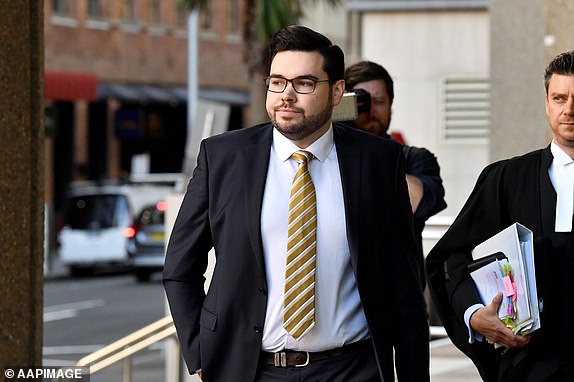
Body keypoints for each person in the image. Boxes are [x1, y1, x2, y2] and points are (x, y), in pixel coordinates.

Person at [163, 25, 429, 382]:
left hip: (352, 369)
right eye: (277, 82)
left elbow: (405, 284)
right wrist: (201, 351)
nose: (286, 95)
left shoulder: (378, 162)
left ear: (336, 92)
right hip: (252, 371)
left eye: (304, 83)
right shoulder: (223, 157)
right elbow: (181, 266)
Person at [426, 50, 574, 382]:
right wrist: (474, 313)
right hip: (530, 370)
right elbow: (450, 257)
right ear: (547, 103)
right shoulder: (506, 179)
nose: (569, 109)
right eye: (559, 98)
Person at [344, 61, 447, 285]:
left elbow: (416, 203)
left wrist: (364, 149)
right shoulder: (327, 160)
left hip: (398, 300)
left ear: (391, 105)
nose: (370, 110)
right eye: (360, 102)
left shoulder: (414, 159)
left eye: (378, 101)